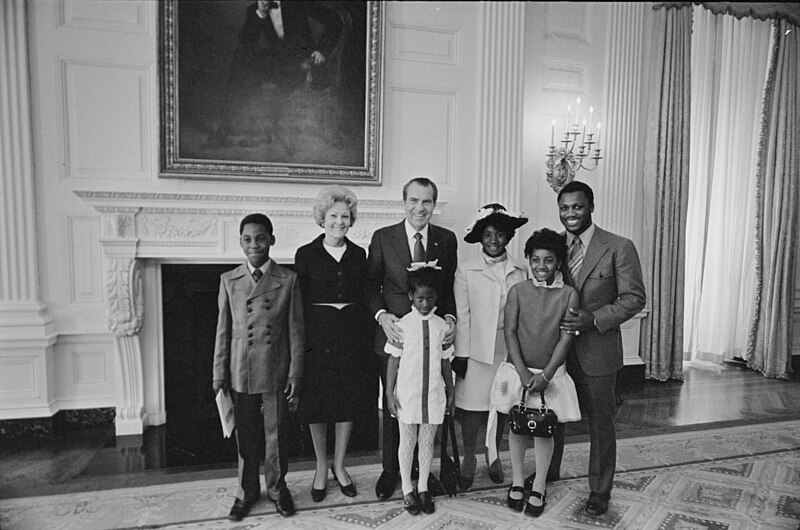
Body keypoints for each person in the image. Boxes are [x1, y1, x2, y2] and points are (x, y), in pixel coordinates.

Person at [549, 180, 646, 516]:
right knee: (552, 415)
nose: (570, 213)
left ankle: (600, 490)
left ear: (590, 206)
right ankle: (549, 470)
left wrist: (594, 319)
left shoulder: (618, 246)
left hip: (598, 350)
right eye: (564, 208)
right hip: (557, 350)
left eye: (577, 206)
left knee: (601, 423)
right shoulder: (553, 246)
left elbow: (634, 298)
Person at [366, 177, 458, 500]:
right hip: (395, 337)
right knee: (397, 407)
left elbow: (446, 288)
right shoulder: (382, 238)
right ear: (403, 202)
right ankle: (392, 472)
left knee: (431, 406)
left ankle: (423, 473)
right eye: (414, 201)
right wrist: (382, 317)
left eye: (427, 202)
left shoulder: (446, 240)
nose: (420, 208)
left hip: (432, 339)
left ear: (434, 204)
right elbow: (371, 287)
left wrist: (450, 317)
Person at [212, 213, 305, 520]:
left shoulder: (287, 279)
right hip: (241, 370)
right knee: (246, 436)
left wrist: (295, 372)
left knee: (277, 433)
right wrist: (219, 374)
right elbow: (222, 332)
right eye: (248, 239)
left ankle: (278, 489)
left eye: (261, 238)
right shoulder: (229, 280)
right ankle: (246, 491)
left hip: (276, 368)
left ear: (272, 240)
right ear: (240, 242)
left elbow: (296, 331)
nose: (255, 245)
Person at [294, 186, 373, 502]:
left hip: (351, 337)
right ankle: (321, 466)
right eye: (333, 216)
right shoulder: (306, 254)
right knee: (317, 404)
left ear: (351, 219)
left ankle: (340, 465)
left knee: (346, 401)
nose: (339, 222)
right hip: (317, 339)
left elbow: (365, 295)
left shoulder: (359, 254)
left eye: (345, 216)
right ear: (322, 219)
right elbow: (299, 302)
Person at [503, 228, 582, 517]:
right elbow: (510, 332)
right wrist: (523, 373)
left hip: (549, 373)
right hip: (520, 371)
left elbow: (566, 338)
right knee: (518, 426)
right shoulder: (518, 291)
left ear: (558, 262)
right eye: (535, 260)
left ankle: (539, 484)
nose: (541, 266)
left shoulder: (569, 294)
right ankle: (517, 480)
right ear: (528, 260)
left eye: (548, 260)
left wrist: (547, 375)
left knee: (543, 428)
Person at [452, 204, 529, 490]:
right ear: (480, 237)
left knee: (501, 406)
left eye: (499, 234)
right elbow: (463, 315)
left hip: (508, 349)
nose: (493, 240)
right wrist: (461, 355)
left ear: (508, 236)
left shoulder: (521, 269)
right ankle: (469, 457)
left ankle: (493, 455)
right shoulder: (466, 269)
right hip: (475, 351)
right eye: (487, 234)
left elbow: (525, 312)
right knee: (473, 409)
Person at [209, 0, 343, 149]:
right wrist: (260, 13)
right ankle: (226, 127)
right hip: (279, 63)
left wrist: (322, 50)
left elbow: (335, 20)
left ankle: (262, 130)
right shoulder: (255, 9)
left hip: (303, 62)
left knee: (251, 63)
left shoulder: (298, 3)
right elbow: (246, 42)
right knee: (241, 56)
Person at [385, 264, 455, 515]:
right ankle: (406, 488)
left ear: (436, 297)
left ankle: (424, 486)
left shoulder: (442, 327)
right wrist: (389, 393)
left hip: (434, 394)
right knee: (407, 441)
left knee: (427, 443)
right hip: (408, 395)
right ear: (411, 297)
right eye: (420, 297)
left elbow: (446, 361)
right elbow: (393, 360)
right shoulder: (402, 325)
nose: (425, 303)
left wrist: (451, 390)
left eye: (430, 298)